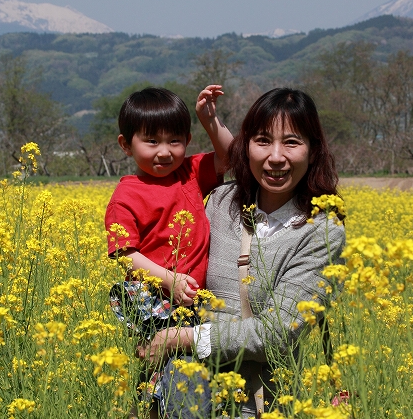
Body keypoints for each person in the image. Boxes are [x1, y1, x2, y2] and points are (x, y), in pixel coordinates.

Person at [139, 88, 346, 418]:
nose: (275, 156)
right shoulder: (221, 203)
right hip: (185, 391)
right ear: (246, 145)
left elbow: (276, 334)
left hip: (259, 403)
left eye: (291, 142)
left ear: (313, 150)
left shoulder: (321, 231)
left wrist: (185, 338)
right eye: (263, 140)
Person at [105, 85, 233, 310]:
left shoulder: (188, 173)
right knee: (156, 346)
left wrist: (209, 120)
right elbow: (126, 255)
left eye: (174, 141)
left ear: (187, 139)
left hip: (196, 299)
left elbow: (231, 158)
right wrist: (170, 281)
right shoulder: (124, 198)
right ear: (126, 145)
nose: (164, 152)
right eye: (152, 141)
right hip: (151, 301)